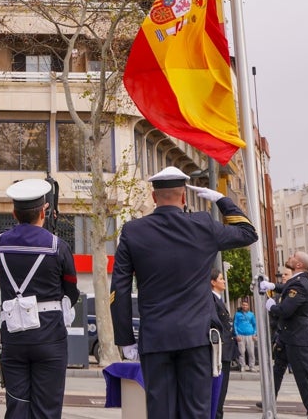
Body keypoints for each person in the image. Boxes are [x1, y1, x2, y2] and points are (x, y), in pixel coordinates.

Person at [110, 166, 258, 419]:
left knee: (160, 411)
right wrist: (222, 200)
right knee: (196, 411)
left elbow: (120, 288)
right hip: (196, 337)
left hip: (155, 337)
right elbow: (248, 233)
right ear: (183, 197)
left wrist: (125, 338)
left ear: (154, 197)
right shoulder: (203, 225)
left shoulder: (133, 231)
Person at [0, 178, 79, 419]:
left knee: (17, 404)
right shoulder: (57, 246)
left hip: (14, 336)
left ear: (14, 213)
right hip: (49, 334)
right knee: (47, 408)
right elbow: (71, 290)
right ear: (44, 211)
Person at [259, 252, 308, 419]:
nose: (290, 256)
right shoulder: (301, 280)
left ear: (299, 265)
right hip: (291, 337)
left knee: (305, 381)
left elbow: (285, 310)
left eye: (294, 256)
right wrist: (273, 286)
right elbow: (289, 288)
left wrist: (271, 306)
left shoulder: (300, 285)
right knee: (287, 373)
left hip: (298, 339)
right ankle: (269, 404)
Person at [209, 270, 237, 419]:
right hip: (219, 352)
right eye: (221, 279)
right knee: (218, 393)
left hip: (225, 351)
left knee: (222, 392)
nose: (224, 281)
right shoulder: (211, 300)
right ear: (213, 282)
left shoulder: (218, 299)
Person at [234, 299, 257, 371]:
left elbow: (254, 325)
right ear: (241, 305)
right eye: (243, 305)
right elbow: (235, 324)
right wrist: (236, 334)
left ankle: (252, 366)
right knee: (241, 352)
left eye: (246, 305)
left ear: (248, 306)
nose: (244, 306)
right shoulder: (237, 314)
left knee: (251, 352)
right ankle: (242, 366)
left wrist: (254, 334)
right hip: (241, 335)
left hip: (250, 335)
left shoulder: (251, 314)